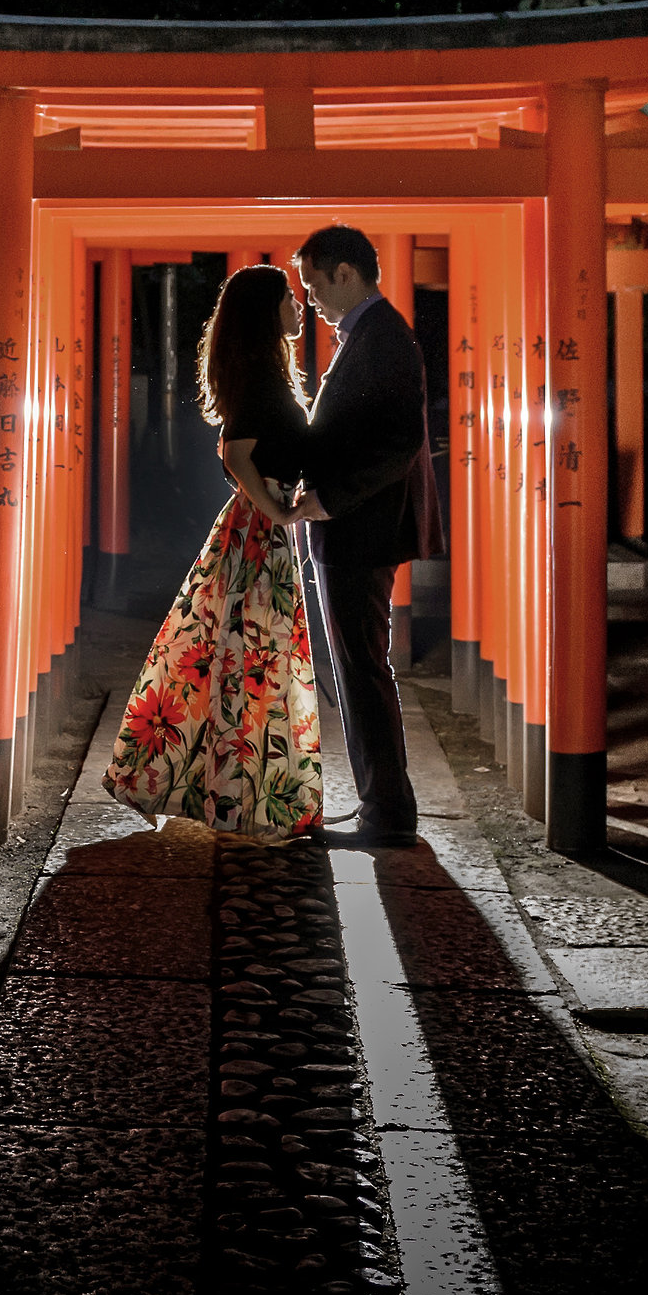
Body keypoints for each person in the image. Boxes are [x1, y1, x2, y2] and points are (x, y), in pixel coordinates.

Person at [101, 264, 324, 839]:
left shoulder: (265, 372)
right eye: (289, 300)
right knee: (251, 661)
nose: (298, 309)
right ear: (265, 311)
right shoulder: (264, 380)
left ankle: (230, 791)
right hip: (257, 534)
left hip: (254, 531)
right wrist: (276, 509)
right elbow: (235, 450)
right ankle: (240, 795)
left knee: (234, 658)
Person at [290, 225, 444, 847]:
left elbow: (399, 441)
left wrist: (330, 498)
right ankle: (381, 802)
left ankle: (388, 810)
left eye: (314, 285)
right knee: (358, 667)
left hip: (362, 528)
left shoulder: (383, 337)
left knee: (362, 668)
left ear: (346, 273)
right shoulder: (373, 336)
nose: (311, 302)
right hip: (358, 527)